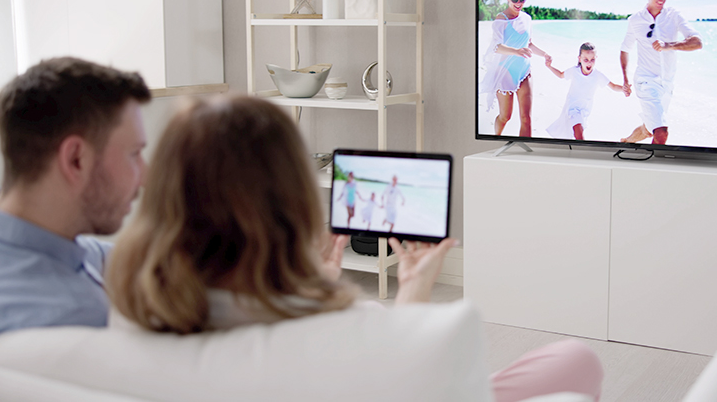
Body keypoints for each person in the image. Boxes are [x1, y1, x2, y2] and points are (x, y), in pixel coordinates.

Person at [106, 95, 603, 402]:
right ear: (294, 197)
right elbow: (413, 372)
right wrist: (412, 291)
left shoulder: (129, 315)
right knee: (577, 360)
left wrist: (316, 286)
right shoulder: (356, 329)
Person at [0, 57, 151, 357]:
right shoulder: (74, 316)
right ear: (75, 159)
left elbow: (91, 254)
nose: (144, 176)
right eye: (135, 155)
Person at [620, 0, 703, 145]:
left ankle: (626, 142)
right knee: (662, 132)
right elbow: (625, 50)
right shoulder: (635, 20)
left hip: (667, 83)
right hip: (645, 81)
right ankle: (650, 170)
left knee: (650, 129)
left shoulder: (674, 16)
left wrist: (669, 45)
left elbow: (697, 42)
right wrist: (625, 79)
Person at [480, 0, 552, 136]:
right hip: (505, 73)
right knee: (506, 116)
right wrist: (516, 51)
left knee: (526, 118)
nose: (519, 3)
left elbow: (529, 43)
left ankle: (525, 155)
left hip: (524, 71)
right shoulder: (501, 19)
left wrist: (544, 54)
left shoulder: (527, 19)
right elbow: (496, 47)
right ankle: (495, 139)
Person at [546, 43, 625, 140]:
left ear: (596, 58)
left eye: (592, 60)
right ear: (579, 59)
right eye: (586, 60)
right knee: (579, 135)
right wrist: (550, 66)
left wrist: (623, 89)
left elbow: (613, 86)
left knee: (576, 134)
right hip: (572, 108)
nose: (589, 63)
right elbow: (561, 75)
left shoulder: (597, 75)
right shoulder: (574, 71)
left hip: (585, 110)